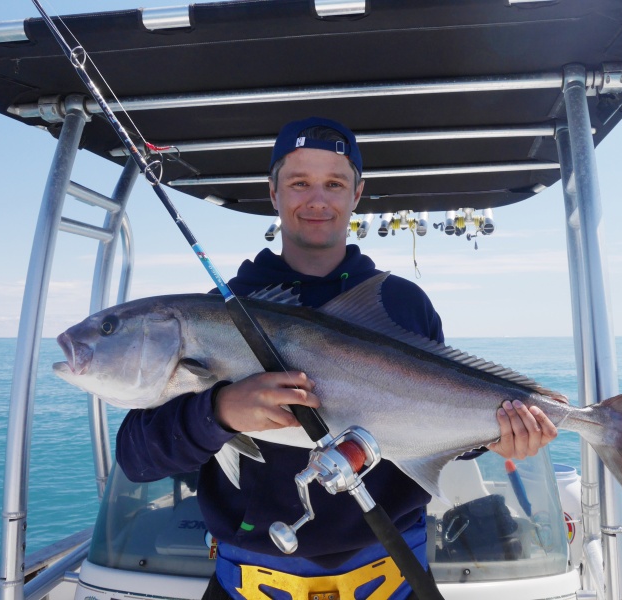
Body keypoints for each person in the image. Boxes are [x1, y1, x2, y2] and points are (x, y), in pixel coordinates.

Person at [116, 117, 558, 600]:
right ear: (274, 192)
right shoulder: (219, 312)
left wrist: (498, 438)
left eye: (333, 183)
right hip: (249, 583)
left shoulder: (402, 305)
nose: (317, 199)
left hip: (392, 579)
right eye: (299, 183)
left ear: (357, 192)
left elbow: (439, 418)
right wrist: (219, 411)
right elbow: (137, 458)